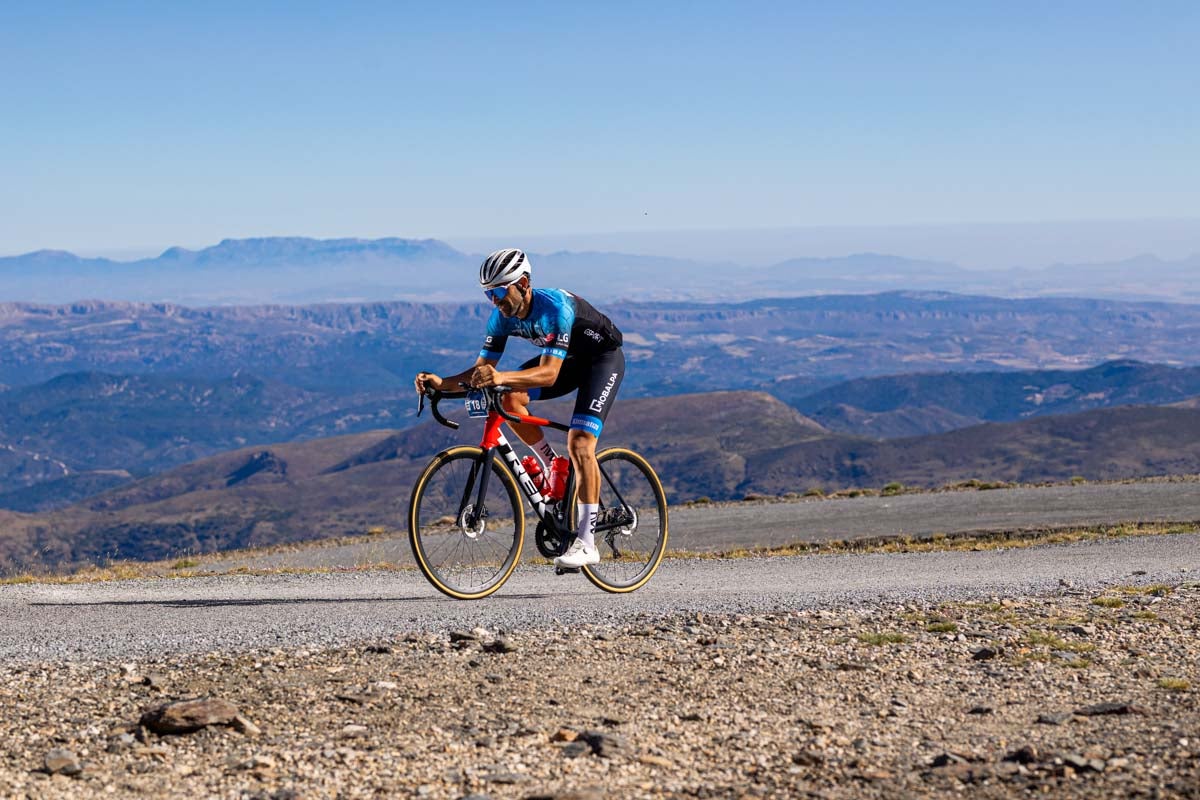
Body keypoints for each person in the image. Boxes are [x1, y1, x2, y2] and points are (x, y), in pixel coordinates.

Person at [413, 248, 625, 568]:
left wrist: (500, 376)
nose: (495, 301)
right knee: (509, 398)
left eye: (499, 292)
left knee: (580, 443)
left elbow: (550, 373)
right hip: (567, 361)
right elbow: (480, 372)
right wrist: (441, 383)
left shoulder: (555, 309)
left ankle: (587, 543)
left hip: (601, 361)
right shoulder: (501, 317)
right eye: (488, 295)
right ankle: (555, 467)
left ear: (523, 283)